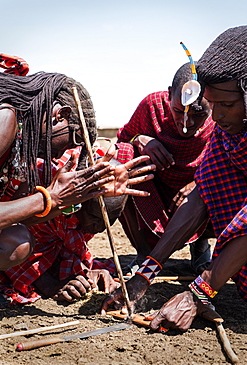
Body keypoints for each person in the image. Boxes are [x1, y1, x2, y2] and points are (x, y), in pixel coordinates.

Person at [101, 25, 247, 331]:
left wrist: (199, 292)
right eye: (214, 104)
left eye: (227, 105)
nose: (217, 117)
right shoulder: (227, 135)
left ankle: (206, 257)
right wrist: (145, 273)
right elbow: (203, 193)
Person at [0, 54, 155, 304]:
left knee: (15, 241)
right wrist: (50, 197)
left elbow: (16, 219)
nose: (62, 154)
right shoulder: (5, 120)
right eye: (73, 140)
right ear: (60, 115)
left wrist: (61, 201)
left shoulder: (17, 131)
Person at [115, 62, 215, 275]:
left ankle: (200, 245)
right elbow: (124, 138)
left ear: (213, 103)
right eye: (178, 111)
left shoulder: (221, 118)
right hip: (155, 189)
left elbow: (227, 160)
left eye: (199, 114)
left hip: (199, 195)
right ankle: (144, 253)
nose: (186, 122)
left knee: (224, 182)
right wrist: (140, 139)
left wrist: (199, 183)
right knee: (121, 156)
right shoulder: (152, 105)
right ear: (169, 95)